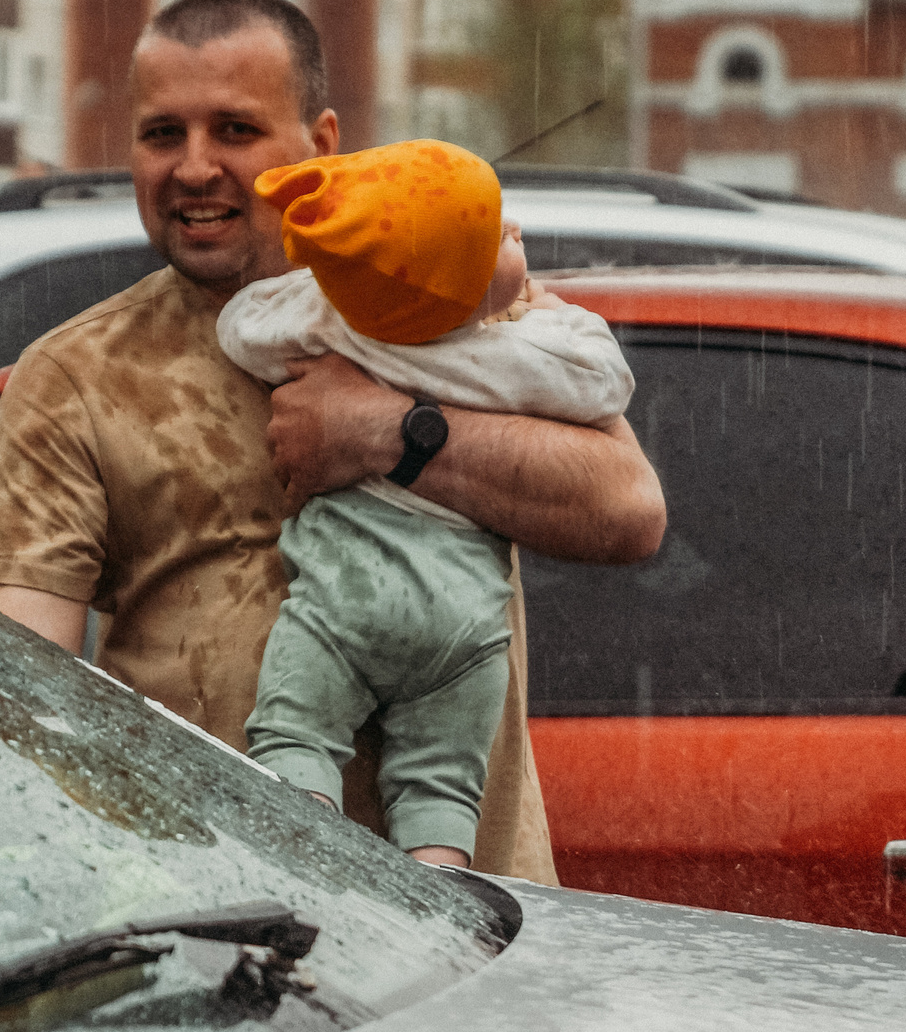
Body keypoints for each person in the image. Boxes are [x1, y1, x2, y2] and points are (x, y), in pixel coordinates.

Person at [0, 0, 664, 881]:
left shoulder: (454, 307)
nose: (194, 167)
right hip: (223, 918)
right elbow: (27, 701)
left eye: (235, 130)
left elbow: (628, 511)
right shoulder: (77, 376)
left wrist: (395, 434)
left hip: (479, 920)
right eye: (162, 134)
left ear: (321, 146)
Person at [217, 141, 633, 868]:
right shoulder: (514, 356)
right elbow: (604, 381)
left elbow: (240, 325)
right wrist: (548, 313)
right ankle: (438, 889)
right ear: (464, 288)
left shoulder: (327, 328)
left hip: (343, 603)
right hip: (462, 622)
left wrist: (331, 284)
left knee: (293, 736)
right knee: (440, 786)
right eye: (497, 235)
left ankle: (307, 861)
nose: (516, 233)